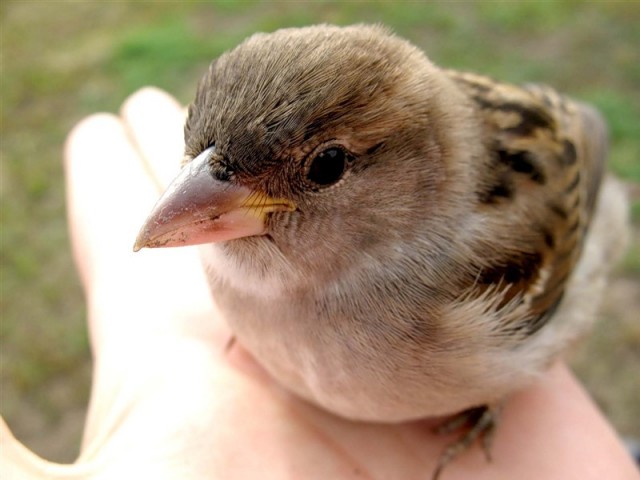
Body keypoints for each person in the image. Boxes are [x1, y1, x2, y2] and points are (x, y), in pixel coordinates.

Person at [1, 87, 637, 480]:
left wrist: (489, 395)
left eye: (324, 167)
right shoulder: (233, 253)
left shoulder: (482, 262)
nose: (202, 211)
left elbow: (578, 146)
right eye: (198, 174)